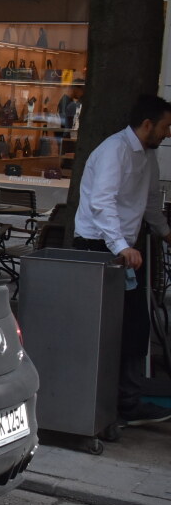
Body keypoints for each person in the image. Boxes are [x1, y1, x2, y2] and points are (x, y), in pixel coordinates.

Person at [73, 94, 171, 427]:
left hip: (123, 249)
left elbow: (151, 202)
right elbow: (102, 203)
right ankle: (111, 403)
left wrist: (165, 232)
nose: (167, 133)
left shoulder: (147, 155)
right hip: (98, 246)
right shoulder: (114, 151)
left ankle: (126, 400)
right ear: (147, 125)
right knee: (107, 329)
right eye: (165, 127)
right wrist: (120, 246)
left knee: (134, 327)